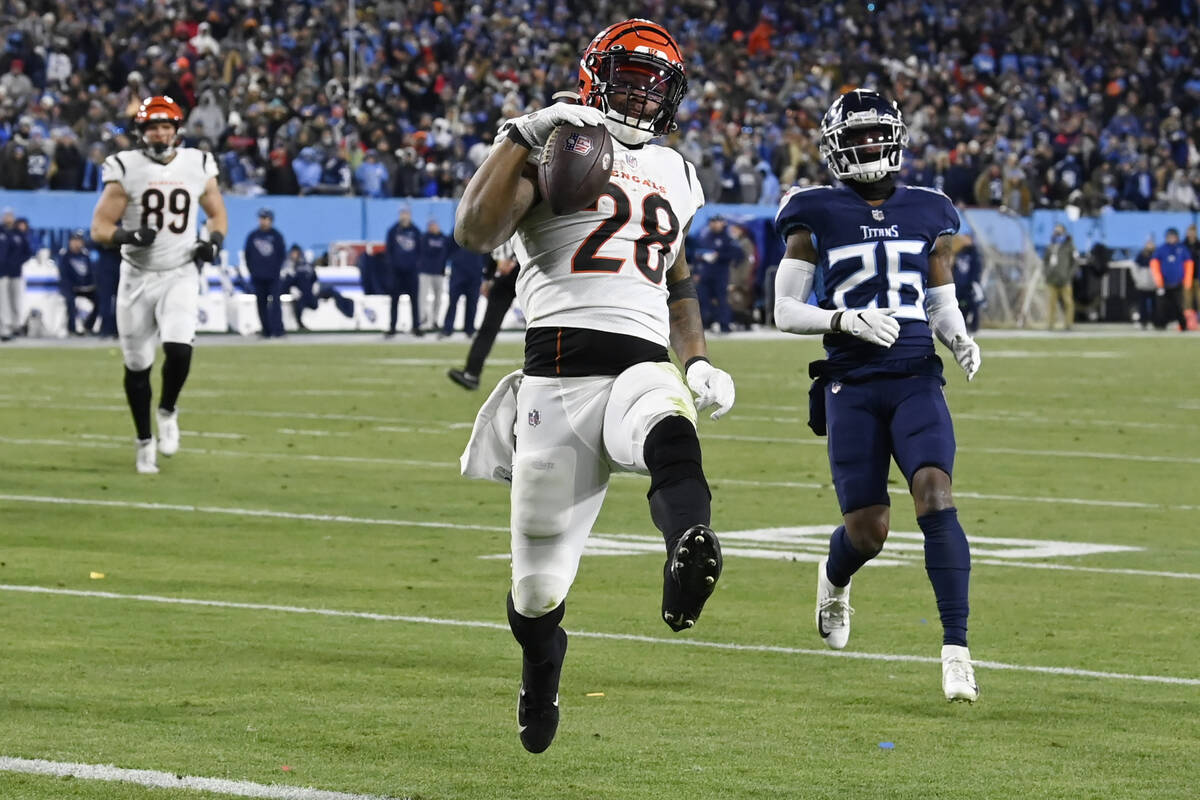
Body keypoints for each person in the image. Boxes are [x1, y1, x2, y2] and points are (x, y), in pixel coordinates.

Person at [454, 19, 736, 754]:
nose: (641, 92)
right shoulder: (554, 140)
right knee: (536, 591)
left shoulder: (675, 169)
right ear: (594, 77)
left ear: (671, 95)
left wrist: (697, 358)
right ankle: (542, 663)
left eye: (655, 81)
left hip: (640, 361)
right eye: (629, 75)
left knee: (670, 426)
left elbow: (677, 279)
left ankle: (688, 545)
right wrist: (522, 131)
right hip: (557, 378)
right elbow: (474, 233)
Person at [773, 89, 981, 702]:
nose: (867, 146)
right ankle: (834, 580)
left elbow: (939, 297)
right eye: (855, 136)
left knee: (936, 495)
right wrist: (843, 321)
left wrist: (959, 337)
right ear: (836, 147)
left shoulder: (929, 209)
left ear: (894, 137)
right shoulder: (813, 212)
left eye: (874, 134)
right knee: (868, 531)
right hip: (852, 381)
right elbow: (784, 310)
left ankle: (956, 651)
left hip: (916, 371)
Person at [90, 95, 227, 474]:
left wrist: (212, 242)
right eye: (153, 127)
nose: (161, 133)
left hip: (180, 271)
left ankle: (167, 410)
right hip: (137, 276)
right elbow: (100, 228)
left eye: (166, 126)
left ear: (177, 130)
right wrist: (130, 236)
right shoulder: (125, 167)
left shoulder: (197, 162)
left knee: (179, 349)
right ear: (141, 131)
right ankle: (143, 441)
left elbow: (216, 213)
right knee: (137, 366)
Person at [447, 237, 520, 390]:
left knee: (489, 328)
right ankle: (472, 373)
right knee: (489, 327)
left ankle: (472, 373)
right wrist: (488, 277)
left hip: (522, 272)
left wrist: (494, 272)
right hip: (521, 273)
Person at [282, 244, 354, 330]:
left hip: (311, 293)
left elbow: (314, 277)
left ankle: (348, 311)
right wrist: (291, 289)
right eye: (293, 253)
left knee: (332, 291)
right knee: (297, 304)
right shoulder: (288, 267)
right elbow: (285, 282)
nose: (295, 255)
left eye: (296, 253)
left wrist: (315, 286)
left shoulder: (306, 265)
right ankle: (300, 325)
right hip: (300, 295)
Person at [692, 214, 744, 333]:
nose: (714, 224)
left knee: (722, 300)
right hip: (705, 274)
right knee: (703, 300)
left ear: (722, 223)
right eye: (712, 222)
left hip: (720, 274)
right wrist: (696, 272)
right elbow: (696, 255)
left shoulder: (728, 238)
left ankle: (724, 326)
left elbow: (738, 255)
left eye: (717, 222)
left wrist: (719, 256)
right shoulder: (704, 236)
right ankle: (705, 325)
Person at [243, 208, 287, 337]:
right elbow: (248, 255)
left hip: (273, 276)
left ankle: (277, 329)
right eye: (261, 218)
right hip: (258, 276)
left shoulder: (276, 236)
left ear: (270, 220)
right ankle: (266, 330)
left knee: (275, 303)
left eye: (265, 218)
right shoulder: (253, 236)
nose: (263, 221)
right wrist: (252, 271)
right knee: (261, 303)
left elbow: (281, 254)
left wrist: (277, 269)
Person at [383, 205, 422, 337]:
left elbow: (420, 251)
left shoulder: (416, 231)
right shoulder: (393, 231)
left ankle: (416, 327)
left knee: (414, 301)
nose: (404, 216)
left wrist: (416, 266)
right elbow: (388, 251)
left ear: (410, 215)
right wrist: (391, 268)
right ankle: (392, 327)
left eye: (406, 213)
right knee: (394, 301)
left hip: (411, 272)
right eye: (402, 213)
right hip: (396, 272)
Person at [1149, 226, 1194, 332]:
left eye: (1173, 237)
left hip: (1178, 283)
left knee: (1179, 306)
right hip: (1164, 283)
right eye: (1170, 237)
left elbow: (1189, 264)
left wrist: (1187, 280)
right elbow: (1154, 264)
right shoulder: (1161, 249)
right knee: (1162, 306)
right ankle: (1160, 325)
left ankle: (1183, 325)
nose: (1171, 239)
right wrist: (1158, 279)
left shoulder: (1182, 249)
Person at [56, 229, 98, 335]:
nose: (77, 243)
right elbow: (64, 275)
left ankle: (88, 326)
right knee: (70, 300)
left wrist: (89, 285)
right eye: (74, 240)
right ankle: (72, 329)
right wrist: (73, 286)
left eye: (79, 240)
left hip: (84, 287)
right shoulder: (64, 255)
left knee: (100, 299)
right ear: (70, 242)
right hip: (70, 287)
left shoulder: (85, 254)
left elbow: (90, 273)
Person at [0, 207, 33, 340]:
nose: (8, 218)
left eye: (10, 216)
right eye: (6, 215)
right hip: (1, 272)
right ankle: (5, 327)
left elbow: (28, 251)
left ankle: (15, 326)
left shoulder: (18, 234)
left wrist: (18, 262)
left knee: (15, 300)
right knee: (3, 301)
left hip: (15, 272)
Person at [441, 236, 484, 338]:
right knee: (452, 302)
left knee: (472, 304)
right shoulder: (458, 229)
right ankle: (447, 329)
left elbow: (487, 250)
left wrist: (485, 271)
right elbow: (447, 248)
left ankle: (470, 330)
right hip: (458, 273)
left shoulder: (481, 230)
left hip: (474, 274)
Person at [418, 219, 451, 332]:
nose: (433, 227)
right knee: (423, 296)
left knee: (438, 298)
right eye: (431, 225)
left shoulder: (444, 238)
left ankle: (435, 320)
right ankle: (422, 319)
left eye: (435, 225)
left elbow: (446, 253)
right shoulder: (424, 237)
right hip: (425, 271)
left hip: (439, 272)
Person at [1043, 223, 1076, 331]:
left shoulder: (1069, 246)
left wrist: (1069, 275)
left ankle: (1068, 324)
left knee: (1068, 303)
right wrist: (1047, 272)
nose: (1057, 233)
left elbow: (1075, 262)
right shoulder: (1051, 246)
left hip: (1065, 279)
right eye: (1056, 231)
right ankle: (1050, 324)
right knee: (1051, 303)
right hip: (1052, 279)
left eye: (1059, 231)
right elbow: (1045, 261)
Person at [951, 233, 984, 333]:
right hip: (959, 284)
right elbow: (954, 268)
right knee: (960, 306)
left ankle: (974, 326)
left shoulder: (974, 253)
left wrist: (974, 282)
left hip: (970, 284)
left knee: (973, 305)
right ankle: (962, 324)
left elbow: (976, 269)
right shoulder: (959, 252)